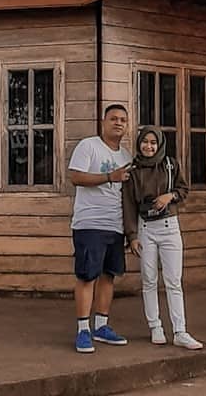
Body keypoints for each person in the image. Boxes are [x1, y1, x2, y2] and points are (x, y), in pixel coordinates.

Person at [123, 128, 202, 349]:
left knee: (173, 281)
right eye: (145, 142)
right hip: (145, 228)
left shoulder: (170, 165)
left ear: (159, 145)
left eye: (153, 143)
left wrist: (170, 196)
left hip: (169, 226)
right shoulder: (133, 171)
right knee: (149, 280)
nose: (148, 146)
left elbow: (183, 189)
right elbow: (128, 205)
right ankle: (155, 326)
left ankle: (180, 331)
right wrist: (132, 236)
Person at [68, 104, 133, 354]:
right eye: (113, 118)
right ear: (103, 122)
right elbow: (75, 177)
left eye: (123, 120)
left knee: (108, 275)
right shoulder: (89, 146)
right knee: (87, 275)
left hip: (115, 225)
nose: (118, 123)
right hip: (90, 223)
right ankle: (83, 330)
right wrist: (109, 177)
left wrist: (130, 231)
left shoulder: (126, 156)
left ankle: (101, 327)